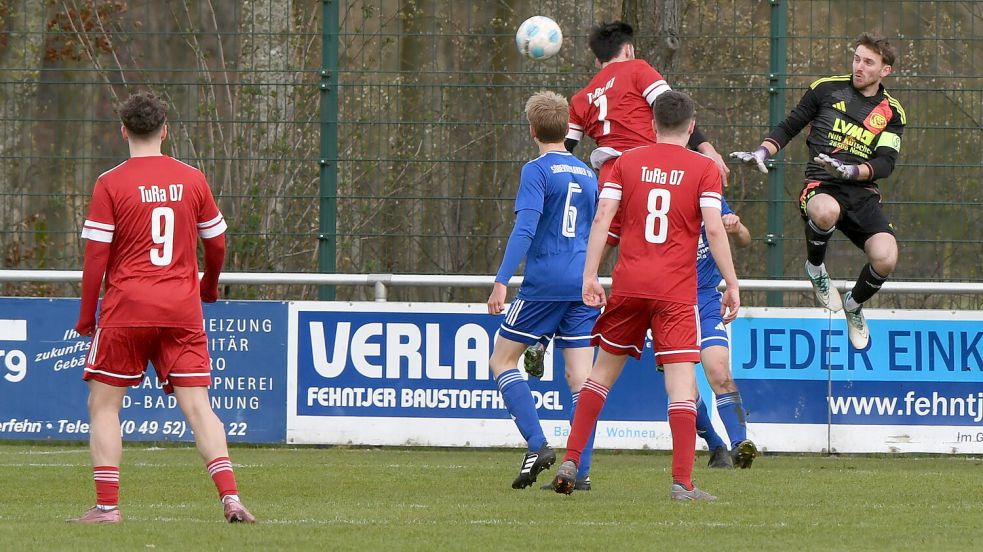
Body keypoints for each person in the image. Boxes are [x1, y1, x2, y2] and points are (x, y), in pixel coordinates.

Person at [70, 91, 255, 524]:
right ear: (165, 130)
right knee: (198, 406)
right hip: (181, 309)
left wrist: (86, 314)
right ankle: (230, 497)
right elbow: (218, 241)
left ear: (123, 131)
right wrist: (208, 285)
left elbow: (96, 256)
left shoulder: (110, 182)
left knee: (103, 405)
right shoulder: (192, 178)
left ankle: (107, 508)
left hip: (127, 309)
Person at [550, 90, 740, 501]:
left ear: (652, 125)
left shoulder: (626, 162)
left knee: (599, 378)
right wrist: (733, 283)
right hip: (675, 293)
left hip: (630, 286)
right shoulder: (703, 168)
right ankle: (682, 483)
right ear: (691, 127)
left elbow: (602, 218)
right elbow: (713, 227)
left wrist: (590, 275)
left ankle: (571, 459)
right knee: (681, 387)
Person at [730, 32, 906, 350]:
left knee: (887, 257)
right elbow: (790, 125)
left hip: (862, 193)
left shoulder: (892, 112)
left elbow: (885, 163)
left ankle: (853, 305)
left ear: (885, 70)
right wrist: (762, 153)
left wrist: (853, 171)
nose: (859, 67)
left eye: (868, 62)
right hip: (821, 186)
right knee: (826, 211)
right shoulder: (826, 88)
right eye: (857, 59)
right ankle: (816, 268)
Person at [487, 90, 600, 491]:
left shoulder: (535, 171)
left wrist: (502, 280)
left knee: (501, 361)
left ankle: (537, 444)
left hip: (545, 284)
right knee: (580, 380)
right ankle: (579, 471)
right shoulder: (590, 175)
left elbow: (525, 227)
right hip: (584, 284)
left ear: (532, 129)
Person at [565, 21, 730, 189]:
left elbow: (563, 147)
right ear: (629, 49)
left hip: (609, 176)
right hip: (648, 169)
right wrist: (706, 148)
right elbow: (673, 109)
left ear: (598, 61)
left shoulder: (580, 98)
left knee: (608, 215)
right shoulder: (637, 69)